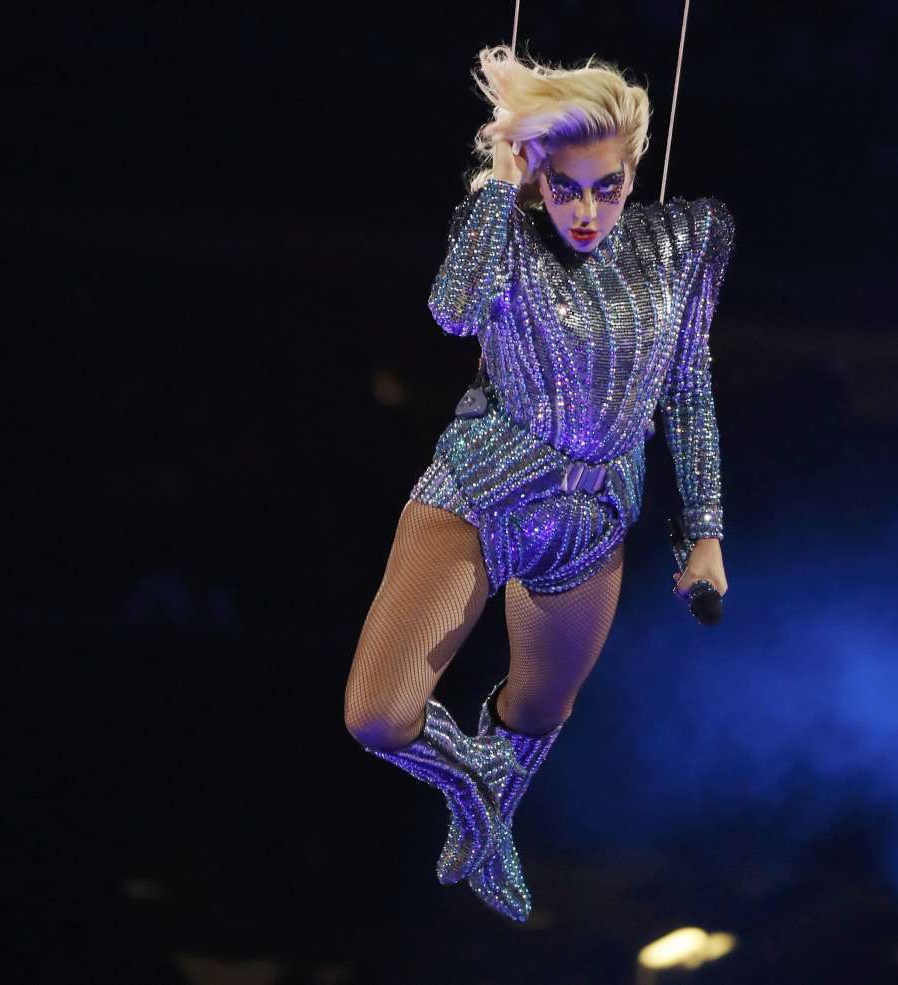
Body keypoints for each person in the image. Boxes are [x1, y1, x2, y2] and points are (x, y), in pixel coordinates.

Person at [343, 43, 733, 922]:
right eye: (565, 187)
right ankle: (475, 788)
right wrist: (498, 181)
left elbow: (688, 385)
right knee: (379, 714)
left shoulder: (685, 240)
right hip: (484, 489)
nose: (587, 210)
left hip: (596, 512)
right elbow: (451, 310)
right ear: (536, 174)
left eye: (608, 186)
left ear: (634, 169)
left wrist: (705, 529)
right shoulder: (502, 233)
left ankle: (492, 814)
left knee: (542, 704)